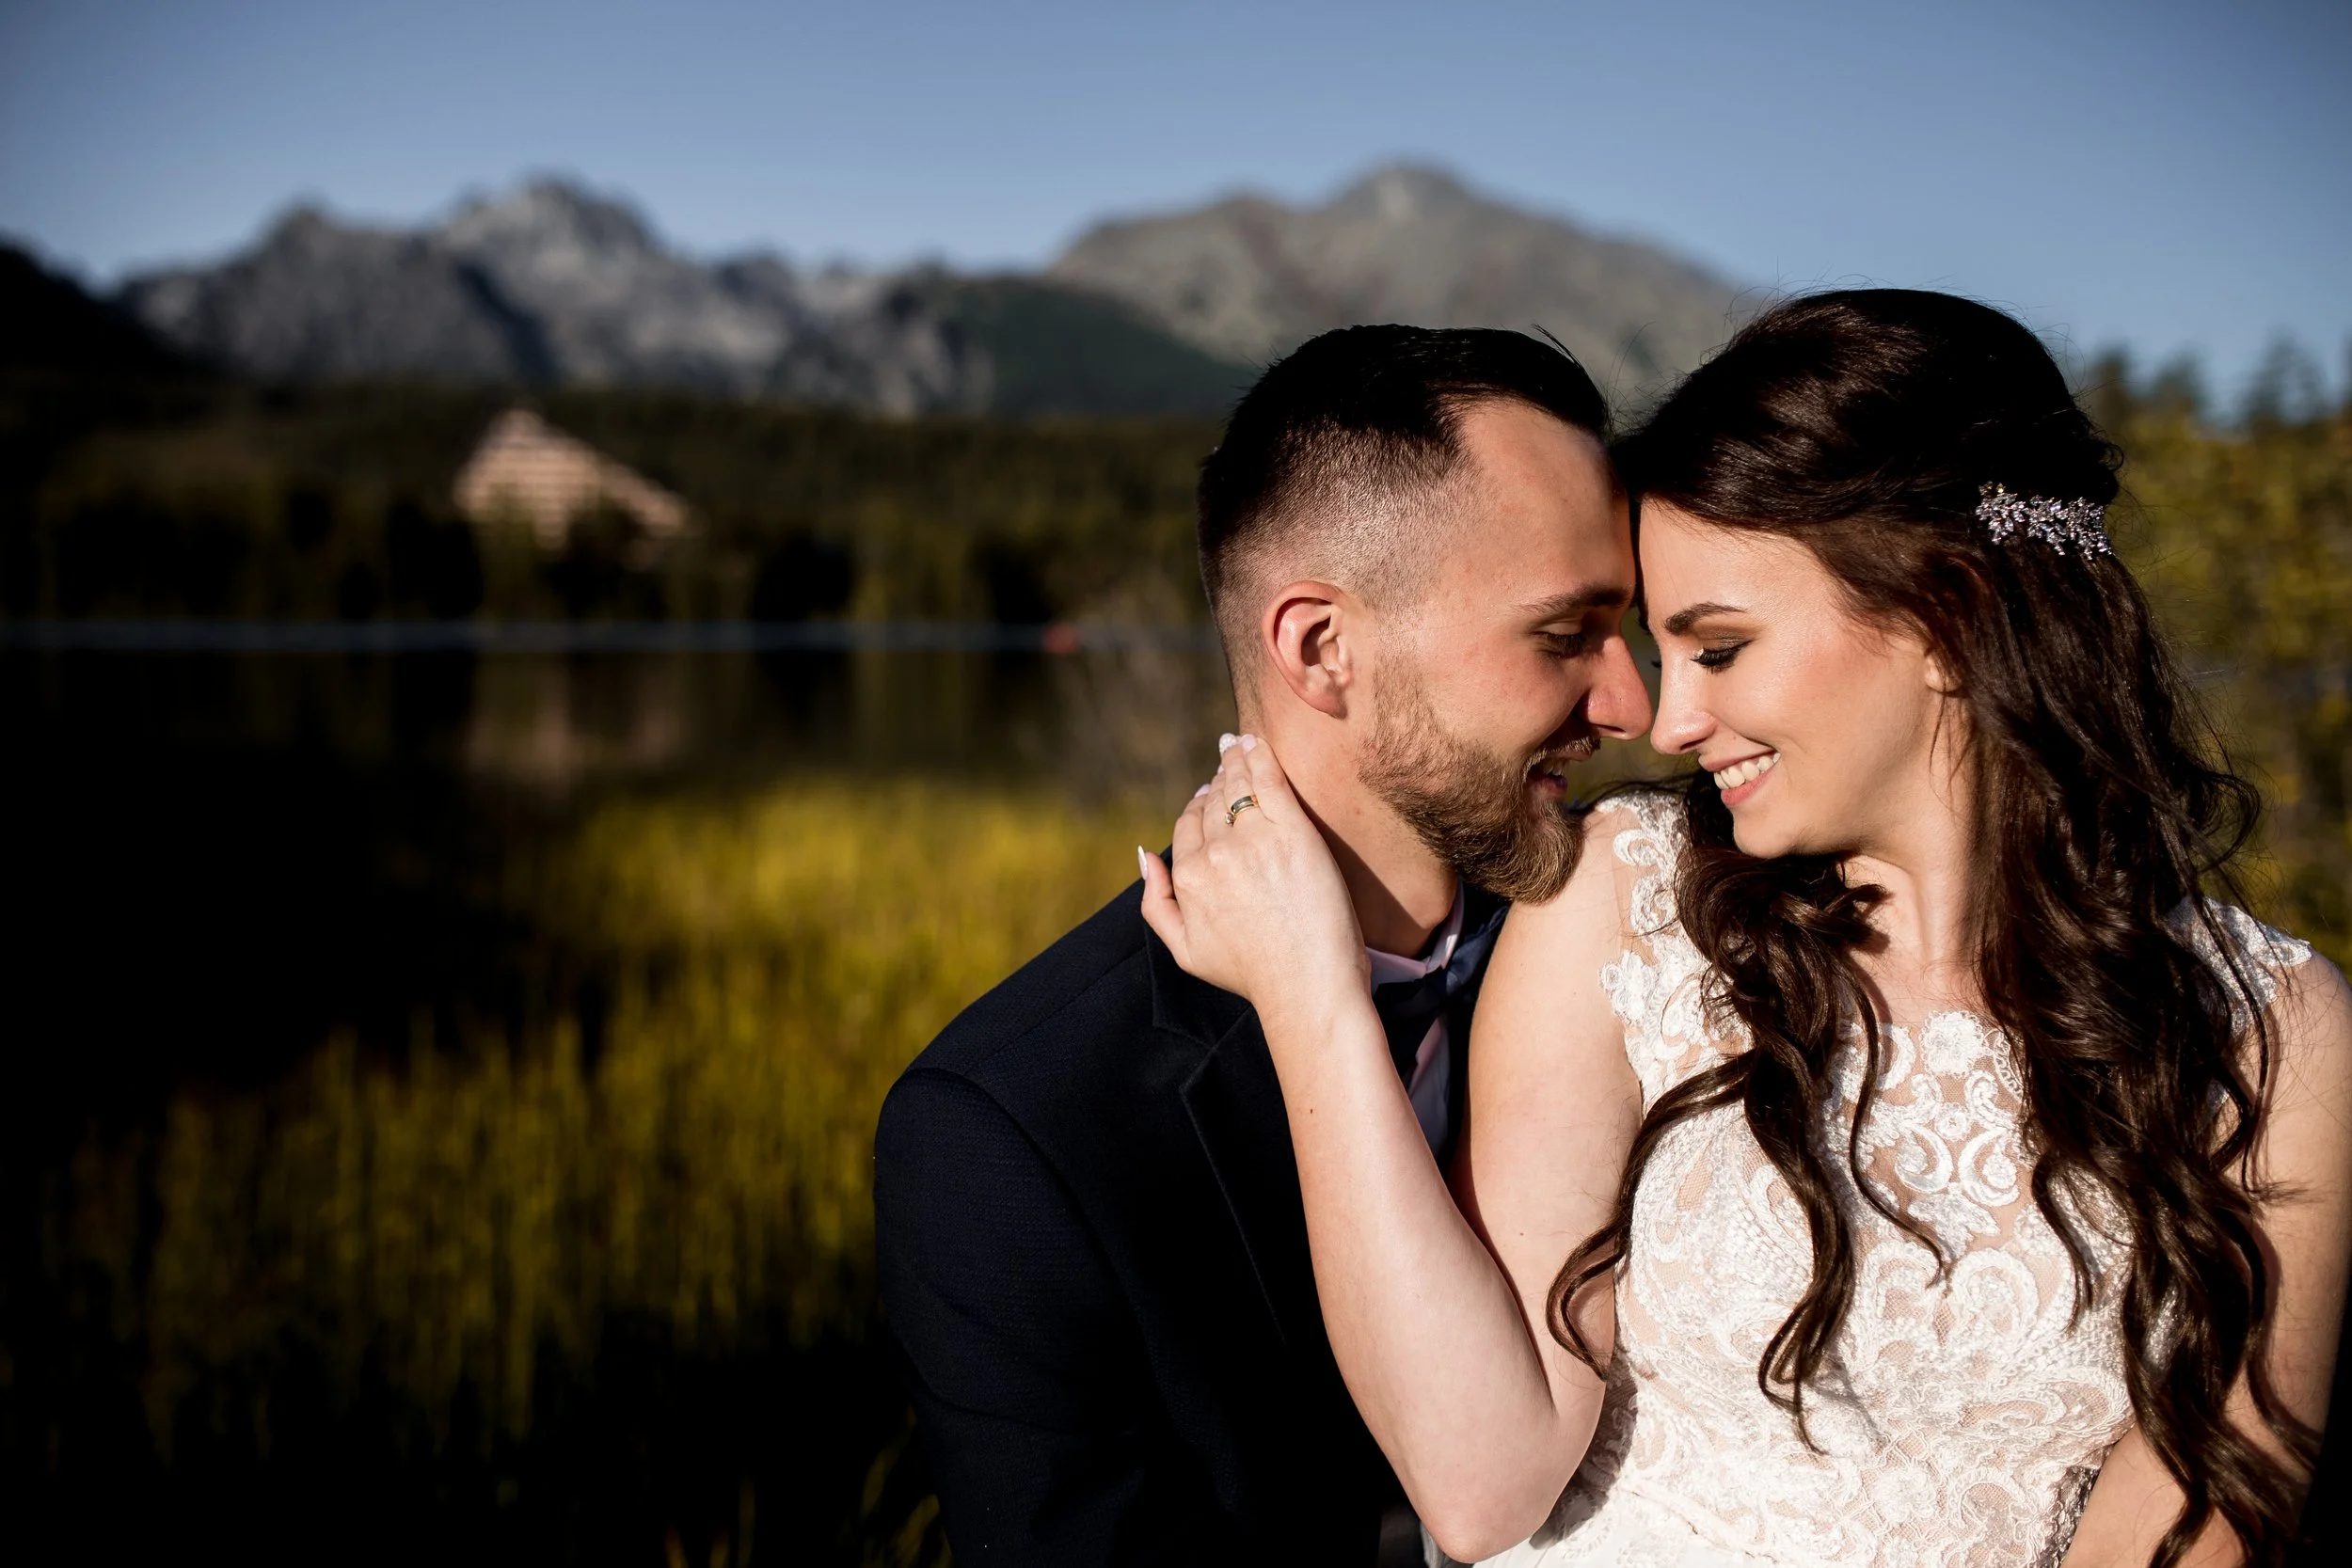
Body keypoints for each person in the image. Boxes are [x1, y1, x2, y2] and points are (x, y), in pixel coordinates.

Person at [1141, 291, 2352, 1566]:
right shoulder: (1630, 896)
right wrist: (1313, 1000)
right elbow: (1477, 1475)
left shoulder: (2280, 1035)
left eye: (1718, 647)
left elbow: (2195, 1531)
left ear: (1948, 613)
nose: (1666, 723)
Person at [872, 325, 1654, 1563]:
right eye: (1565, 634)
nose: (1634, 706)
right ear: (1321, 648)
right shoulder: (1009, 1131)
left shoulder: (1648, 952)